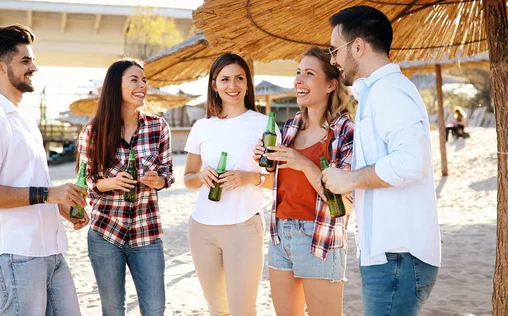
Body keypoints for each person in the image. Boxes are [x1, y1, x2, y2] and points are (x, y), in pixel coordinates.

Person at [0, 24, 89, 315]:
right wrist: (47, 195)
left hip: (52, 252)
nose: (34, 67)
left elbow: (32, 184)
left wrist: (58, 205)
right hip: (17, 256)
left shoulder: (25, 118)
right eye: (25, 61)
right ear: (1, 67)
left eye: (32, 59)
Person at [323, 6, 441, 315]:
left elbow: (413, 161)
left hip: (398, 257)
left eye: (334, 50)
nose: (333, 60)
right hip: (391, 256)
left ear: (358, 46)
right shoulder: (376, 92)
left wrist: (349, 179)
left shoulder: (388, 91)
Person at [255, 47, 353, 316]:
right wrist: (265, 163)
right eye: (298, 72)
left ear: (331, 84)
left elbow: (343, 204)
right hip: (280, 234)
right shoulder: (290, 126)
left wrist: (303, 164)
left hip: (319, 237)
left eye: (309, 74)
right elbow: (281, 184)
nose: (299, 80)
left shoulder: (345, 131)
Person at [183, 52, 279, 316]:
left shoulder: (263, 125)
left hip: (244, 227)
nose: (232, 85)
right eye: (224, 79)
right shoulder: (201, 126)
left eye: (239, 78)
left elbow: (277, 182)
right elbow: (188, 178)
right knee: (217, 309)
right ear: (214, 84)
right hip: (202, 229)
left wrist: (249, 177)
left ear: (248, 83)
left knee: (242, 310)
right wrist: (201, 177)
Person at [77, 58, 174, 316]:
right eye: (135, 79)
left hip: (147, 233)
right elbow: (86, 182)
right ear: (115, 86)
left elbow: (168, 174)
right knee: (113, 310)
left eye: (144, 80)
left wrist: (159, 181)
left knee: (155, 309)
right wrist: (112, 183)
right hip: (106, 234)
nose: (142, 85)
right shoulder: (93, 133)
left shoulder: (158, 127)